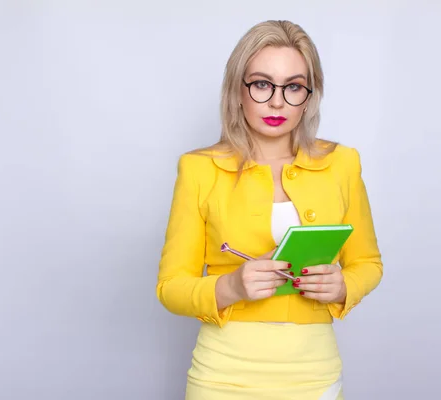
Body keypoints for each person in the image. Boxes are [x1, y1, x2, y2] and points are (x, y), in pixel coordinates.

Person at [156, 19, 383, 400]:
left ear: (310, 95)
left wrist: (345, 285)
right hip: (223, 374)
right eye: (262, 84)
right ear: (237, 90)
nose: (277, 101)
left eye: (293, 86)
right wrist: (230, 285)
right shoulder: (199, 169)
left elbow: (369, 263)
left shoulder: (343, 164)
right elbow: (170, 287)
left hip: (313, 372)